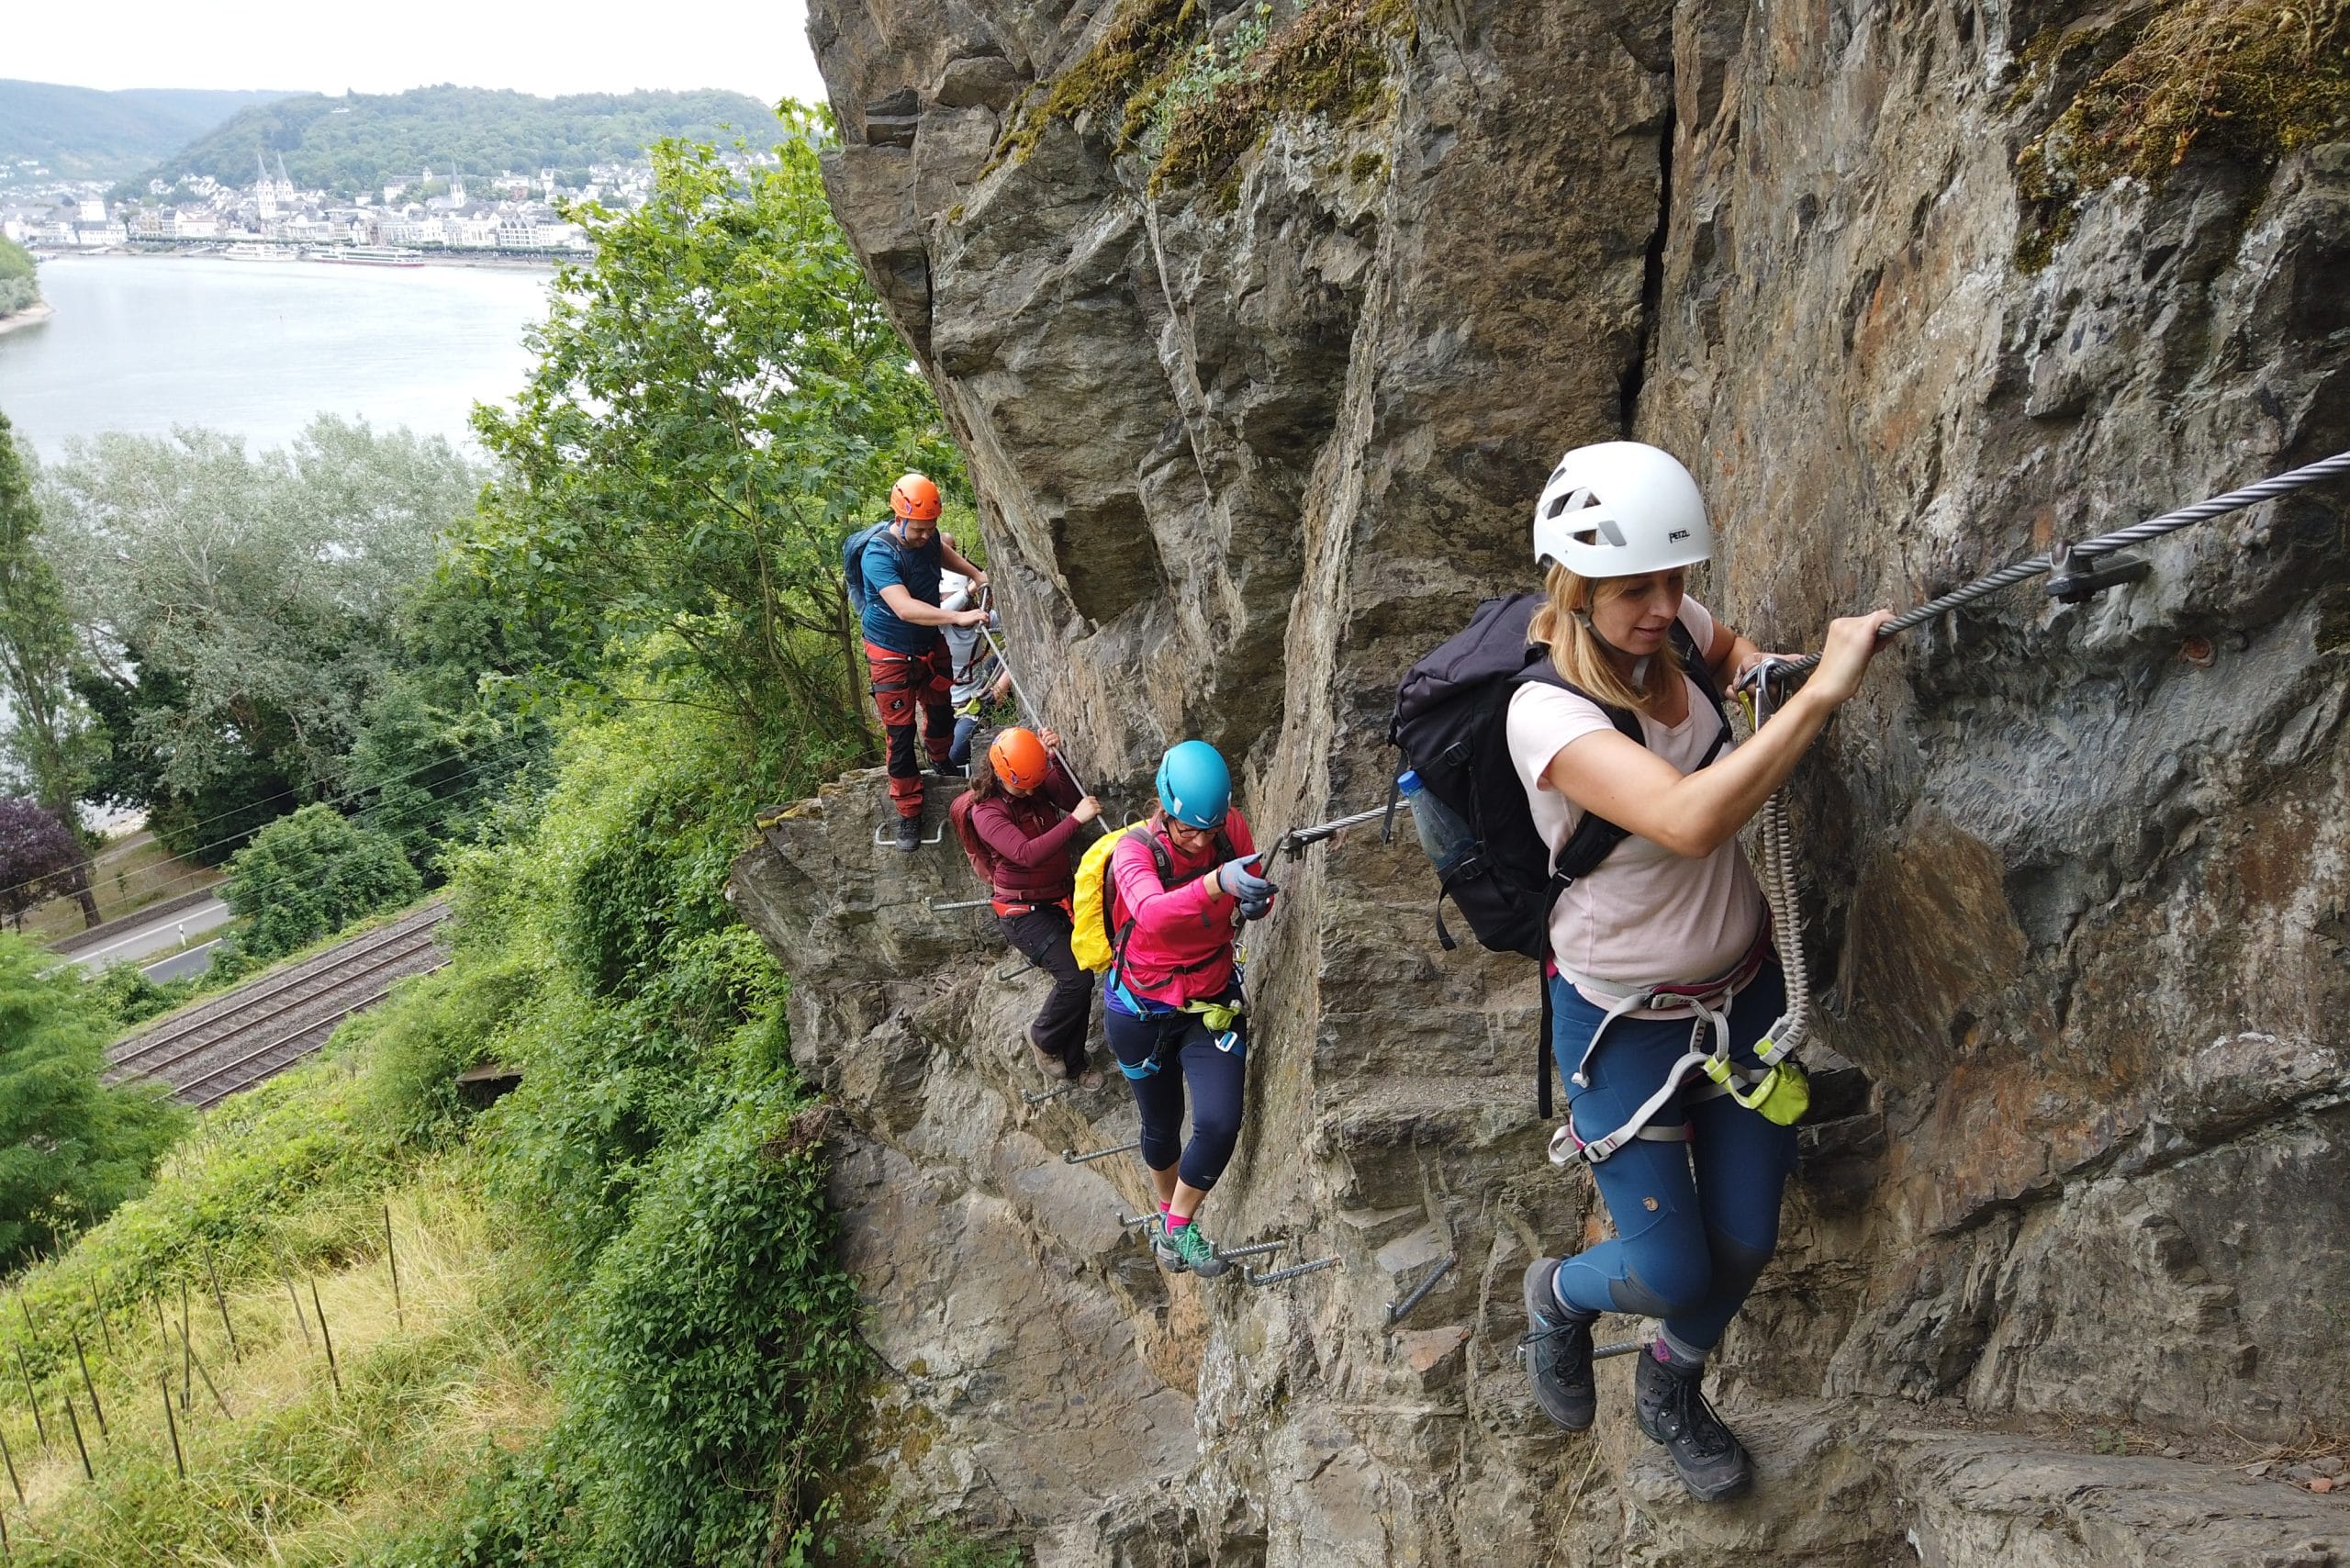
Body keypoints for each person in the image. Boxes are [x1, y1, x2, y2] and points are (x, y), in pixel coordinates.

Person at [1506, 441, 1891, 1503]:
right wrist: (1818, 699)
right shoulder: (1543, 713)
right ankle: (1558, 1295)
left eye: (1675, 581)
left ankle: (1672, 1385)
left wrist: (1773, 673)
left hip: (1742, 990)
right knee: (1670, 1266)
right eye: (1636, 589)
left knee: (1746, 1238)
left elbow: (1739, 660)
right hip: (1620, 1020)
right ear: (1574, 584)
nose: (1666, 605)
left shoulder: (1670, 626)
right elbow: (1686, 818)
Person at [1102, 740, 1277, 1279]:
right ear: (1165, 808)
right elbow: (1152, 915)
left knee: (1220, 1121)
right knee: (1162, 1123)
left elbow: (1257, 889)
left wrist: (1255, 899)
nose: (1201, 840)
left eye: (1209, 828)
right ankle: (1163, 1215)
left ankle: (1177, 1224)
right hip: (1139, 1010)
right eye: (1187, 829)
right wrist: (1218, 881)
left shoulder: (1231, 831)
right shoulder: (1135, 852)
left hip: (1209, 1002)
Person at [965, 725, 1103, 1082]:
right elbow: (1026, 854)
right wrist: (1075, 821)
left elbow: (1069, 796)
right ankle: (1043, 1037)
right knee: (1076, 977)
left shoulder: (1031, 780)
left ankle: (1074, 1065)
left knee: (1082, 974)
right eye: (1022, 785)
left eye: (1033, 782)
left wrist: (1053, 760)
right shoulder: (987, 813)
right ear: (1002, 775)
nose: (1030, 790)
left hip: (1056, 898)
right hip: (1022, 914)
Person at [861, 474, 991, 850]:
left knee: (940, 713)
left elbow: (939, 551)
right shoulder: (878, 554)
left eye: (930, 528)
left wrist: (976, 574)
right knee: (901, 734)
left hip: (928, 645)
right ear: (899, 517)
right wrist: (956, 616)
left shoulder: (928, 536)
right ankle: (908, 811)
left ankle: (941, 762)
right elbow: (902, 608)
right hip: (890, 651)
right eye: (918, 529)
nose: (925, 536)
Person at [938, 569, 1013, 770]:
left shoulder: (982, 618)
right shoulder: (939, 626)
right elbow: (942, 611)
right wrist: (972, 587)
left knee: (955, 757)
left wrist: (1001, 685)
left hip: (974, 705)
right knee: (940, 757)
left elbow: (1019, 636)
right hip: (949, 706)